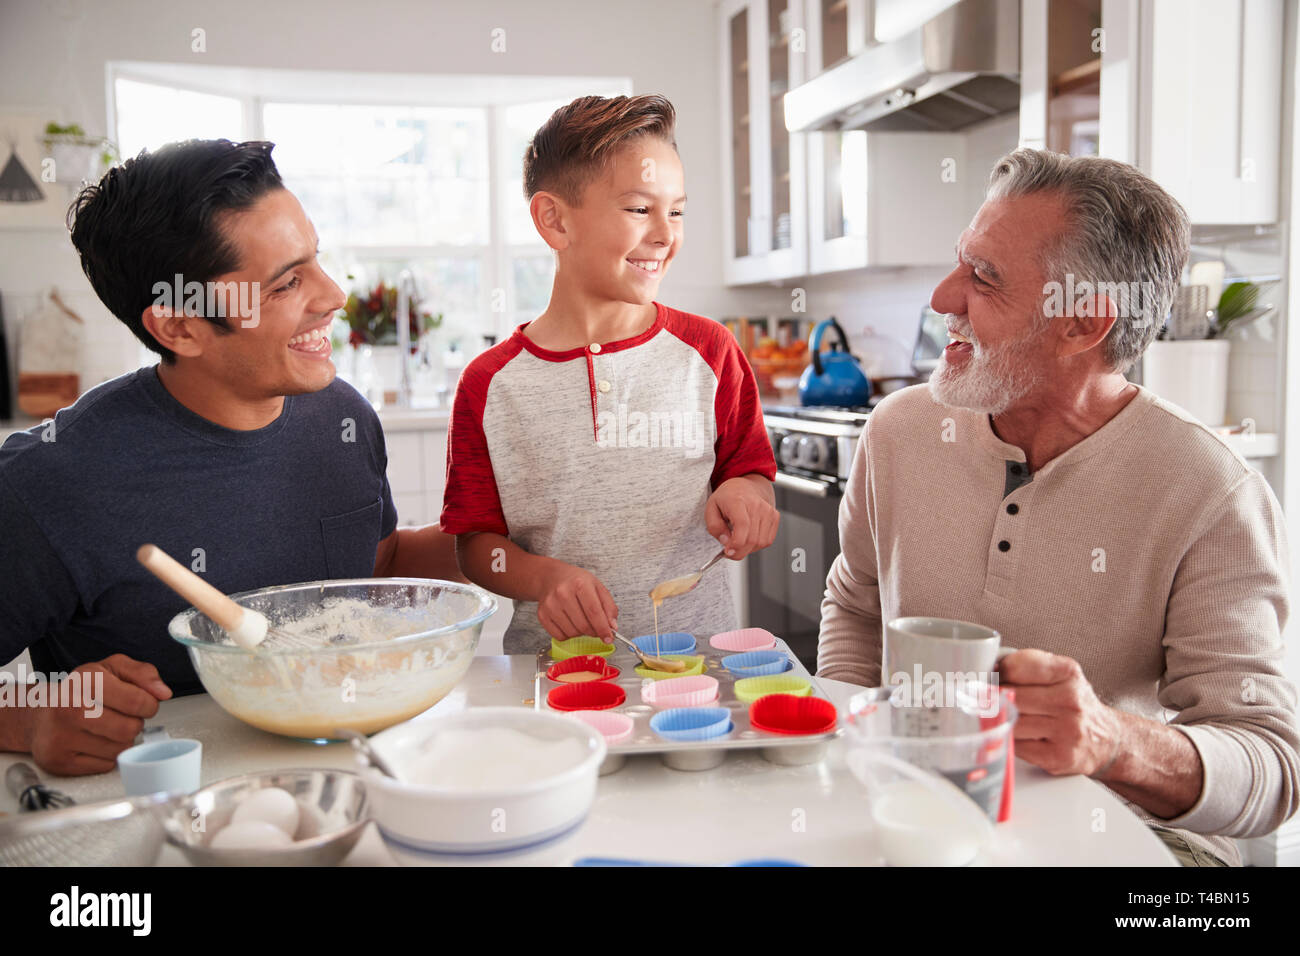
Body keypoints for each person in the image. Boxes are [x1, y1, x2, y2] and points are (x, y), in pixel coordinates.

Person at [817, 148, 1299, 866]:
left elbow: (1271, 769)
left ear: (1082, 323)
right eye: (961, 262)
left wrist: (1113, 741)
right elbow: (856, 606)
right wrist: (848, 761)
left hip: (1136, 838)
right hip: (926, 812)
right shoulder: (899, 431)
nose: (943, 298)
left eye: (983, 277)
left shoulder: (1210, 490)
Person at [0, 139, 461, 774]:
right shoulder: (53, 480)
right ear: (180, 327)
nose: (333, 296)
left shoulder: (342, 418)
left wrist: (514, 538)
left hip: (356, 777)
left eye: (316, 260)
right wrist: (28, 719)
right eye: (287, 283)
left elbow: (378, 564)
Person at [440, 95, 778, 654]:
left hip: (699, 664)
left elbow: (750, 471)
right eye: (640, 210)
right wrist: (543, 579)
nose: (665, 234)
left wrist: (747, 495)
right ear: (555, 220)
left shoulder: (710, 350)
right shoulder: (491, 383)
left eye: (677, 211)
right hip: (556, 672)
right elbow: (476, 546)